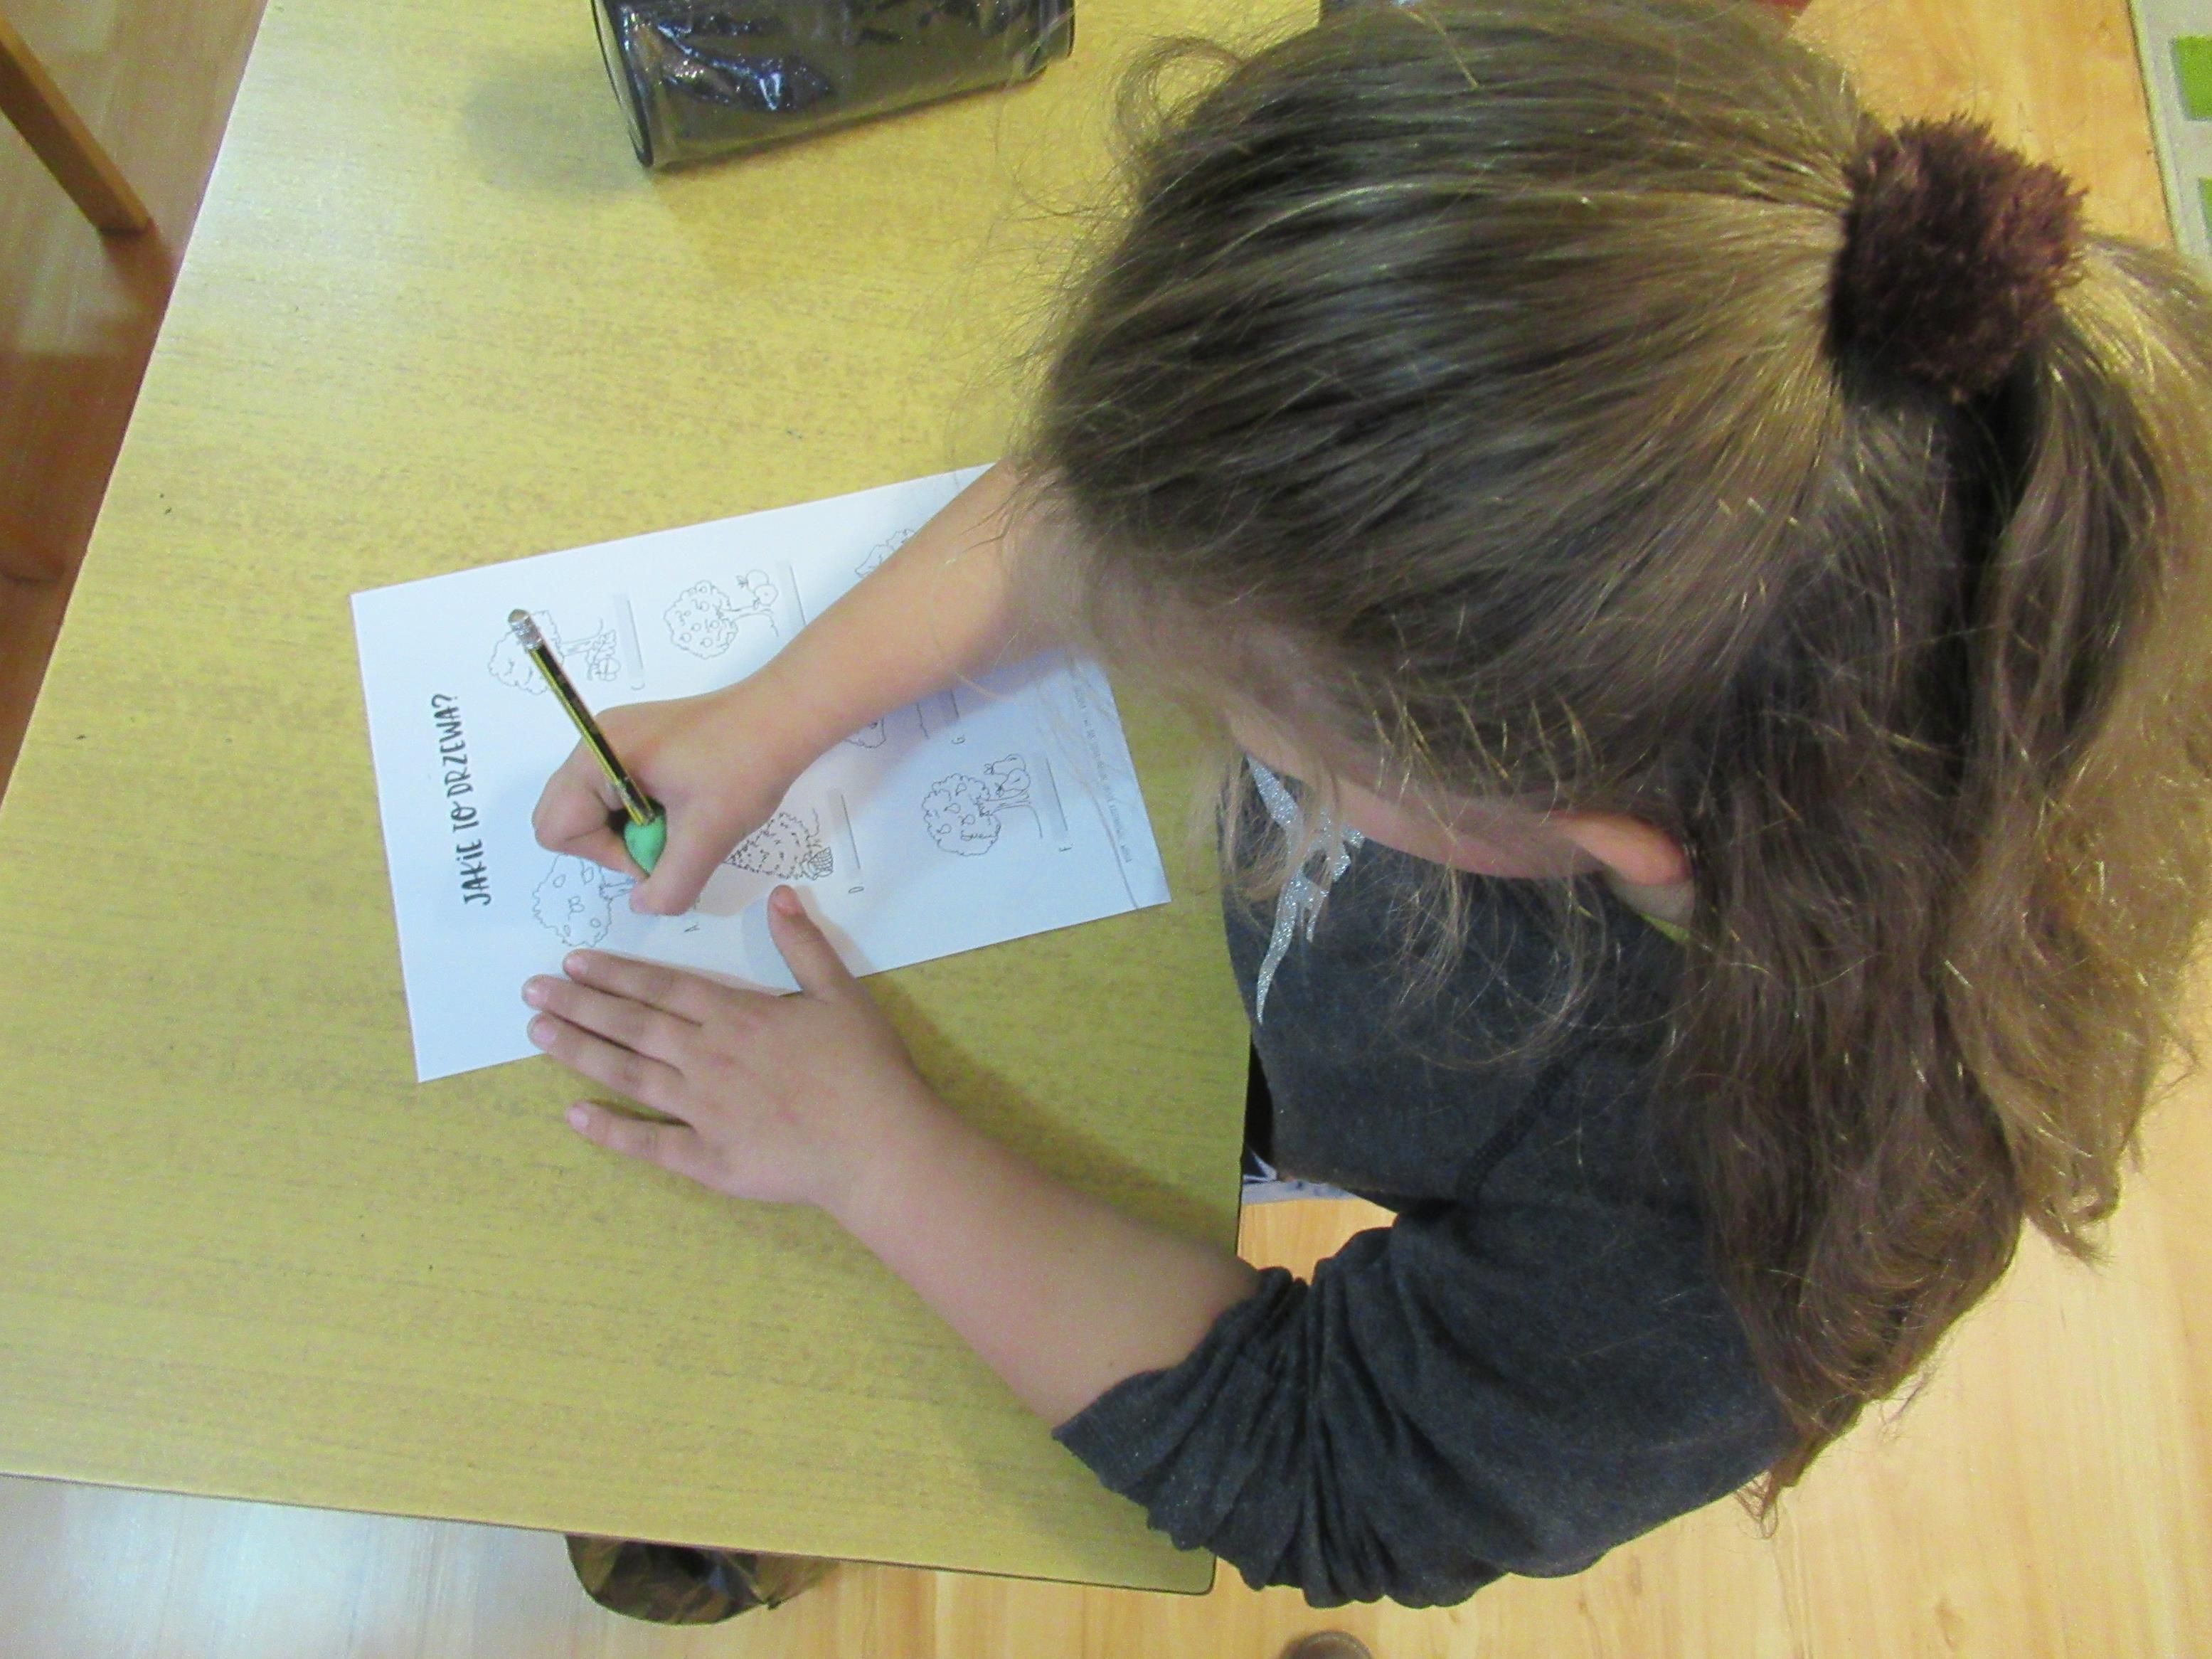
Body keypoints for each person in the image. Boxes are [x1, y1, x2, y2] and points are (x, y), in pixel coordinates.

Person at [523, 0, 2212, 1612]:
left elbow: (1334, 1462)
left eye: (1255, 715)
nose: (1187, 694)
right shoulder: (1634, 377)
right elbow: (1155, 501)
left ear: (1578, 837)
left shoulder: (1745, 1222)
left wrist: (872, 1153)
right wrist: (773, 710)